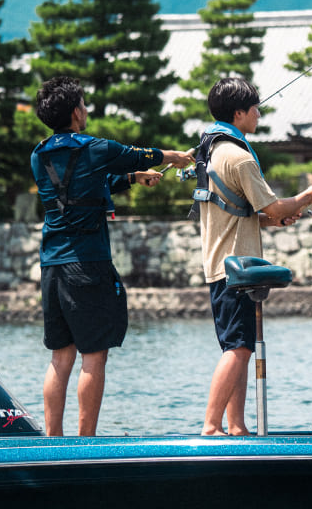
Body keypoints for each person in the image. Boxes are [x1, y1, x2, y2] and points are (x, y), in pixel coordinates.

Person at [31, 75, 194, 436]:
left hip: (52, 266)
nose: (86, 111)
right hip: (87, 263)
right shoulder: (97, 148)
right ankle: (85, 441)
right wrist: (174, 157)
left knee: (60, 357)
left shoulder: (38, 155)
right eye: (84, 106)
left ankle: (54, 440)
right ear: (76, 112)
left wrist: (133, 178)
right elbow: (135, 154)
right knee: (94, 355)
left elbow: (83, 186)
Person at [195, 77, 312, 436]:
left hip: (222, 263)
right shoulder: (239, 157)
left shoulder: (212, 151)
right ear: (239, 113)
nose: (259, 113)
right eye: (254, 108)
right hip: (236, 268)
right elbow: (274, 206)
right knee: (238, 348)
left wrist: (274, 219)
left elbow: (246, 212)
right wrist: (307, 196)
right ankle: (211, 427)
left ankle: (236, 426)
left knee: (237, 346)